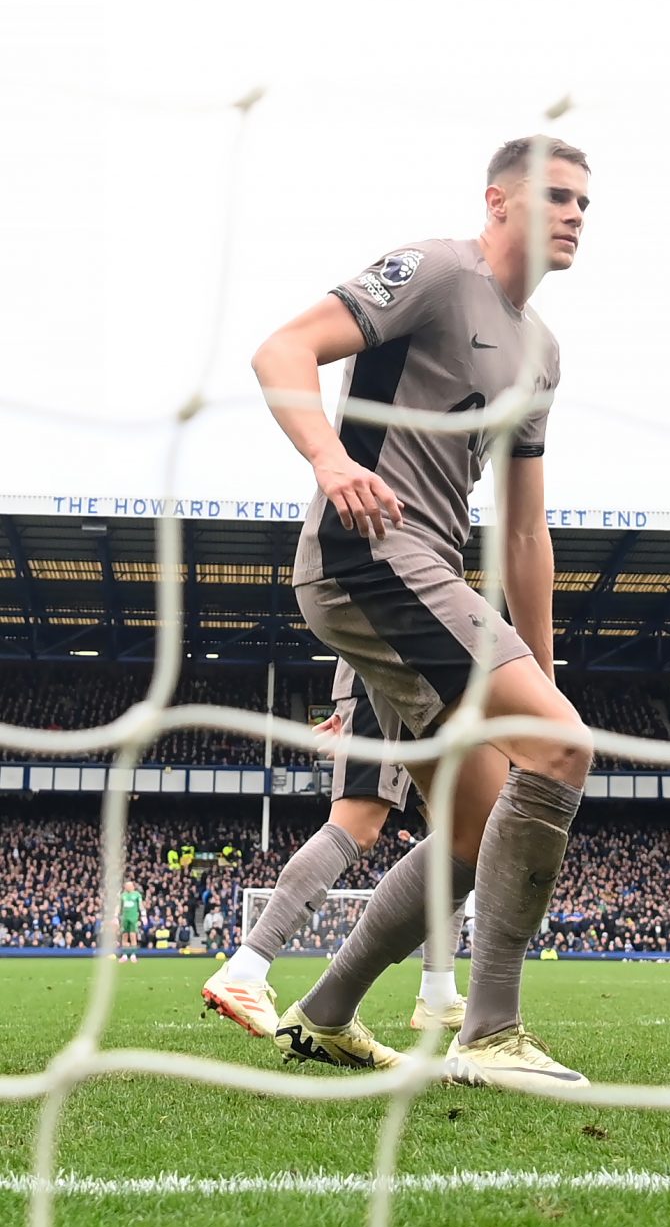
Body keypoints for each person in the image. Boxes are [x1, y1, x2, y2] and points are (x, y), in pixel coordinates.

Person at [251, 135, 595, 1090]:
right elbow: (282, 348)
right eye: (556, 197)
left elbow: (526, 531)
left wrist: (545, 680)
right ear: (499, 201)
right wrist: (332, 461)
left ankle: (324, 1014)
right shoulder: (440, 270)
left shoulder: (542, 352)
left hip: (433, 575)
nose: (573, 216)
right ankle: (491, 1031)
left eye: (584, 205)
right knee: (557, 754)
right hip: (367, 556)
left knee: (476, 831)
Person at [200, 664, 468, 1037]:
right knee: (355, 825)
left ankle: (438, 994)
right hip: (389, 668)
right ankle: (246, 969)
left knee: (462, 834)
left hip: (439, 683)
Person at [118, 880, 142, 962]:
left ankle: (133, 955)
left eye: (128, 885)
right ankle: (124, 955)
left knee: (133, 936)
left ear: (132, 886)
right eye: (125, 885)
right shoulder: (123, 895)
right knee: (124, 936)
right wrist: (115, 915)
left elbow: (140, 905)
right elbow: (119, 906)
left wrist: (144, 915)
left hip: (133, 918)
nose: (126, 887)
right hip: (125, 918)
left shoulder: (137, 895)